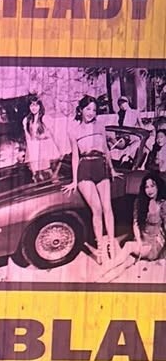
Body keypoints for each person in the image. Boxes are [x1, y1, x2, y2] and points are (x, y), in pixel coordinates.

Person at [65, 95, 117, 264]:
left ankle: (111, 244)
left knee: (108, 207)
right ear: (81, 110)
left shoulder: (100, 126)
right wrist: (74, 180)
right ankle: (100, 248)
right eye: (88, 109)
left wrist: (112, 169)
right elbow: (75, 156)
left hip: (101, 167)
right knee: (97, 209)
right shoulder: (73, 131)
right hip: (84, 169)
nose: (91, 113)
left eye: (94, 110)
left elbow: (106, 150)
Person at [103, 172, 166, 276]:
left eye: (152, 186)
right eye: (146, 187)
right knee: (124, 252)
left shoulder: (163, 204)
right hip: (141, 239)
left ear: (158, 186)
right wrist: (139, 241)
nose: (149, 190)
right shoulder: (139, 202)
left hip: (154, 243)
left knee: (128, 246)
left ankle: (107, 267)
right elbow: (135, 223)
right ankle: (109, 272)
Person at [21, 95, 61, 183]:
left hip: (45, 148)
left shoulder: (45, 118)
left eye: (36, 105)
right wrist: (30, 153)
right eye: (32, 105)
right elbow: (28, 138)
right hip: (34, 148)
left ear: (40, 106)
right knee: (36, 174)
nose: (34, 108)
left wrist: (59, 149)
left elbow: (53, 134)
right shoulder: (26, 120)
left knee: (49, 172)